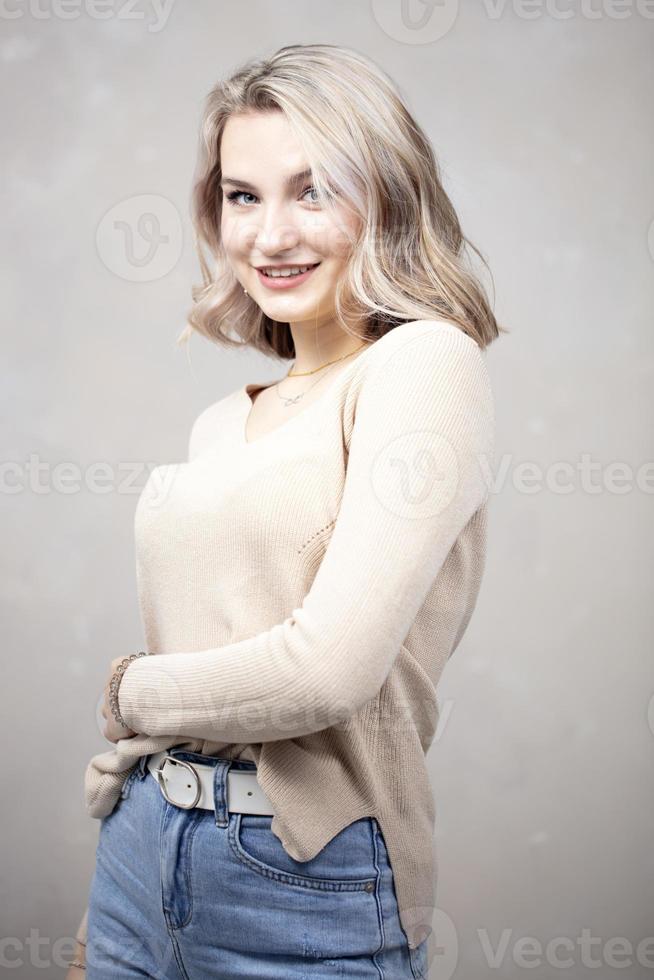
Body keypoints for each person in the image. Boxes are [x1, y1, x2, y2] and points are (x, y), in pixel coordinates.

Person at [68, 42, 504, 978]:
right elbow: (218, 662)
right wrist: (137, 816)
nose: (270, 235)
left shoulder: (424, 367)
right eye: (243, 195)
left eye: (314, 191)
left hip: (299, 869)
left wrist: (127, 692)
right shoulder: (221, 423)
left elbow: (327, 672)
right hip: (142, 844)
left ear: (387, 194)